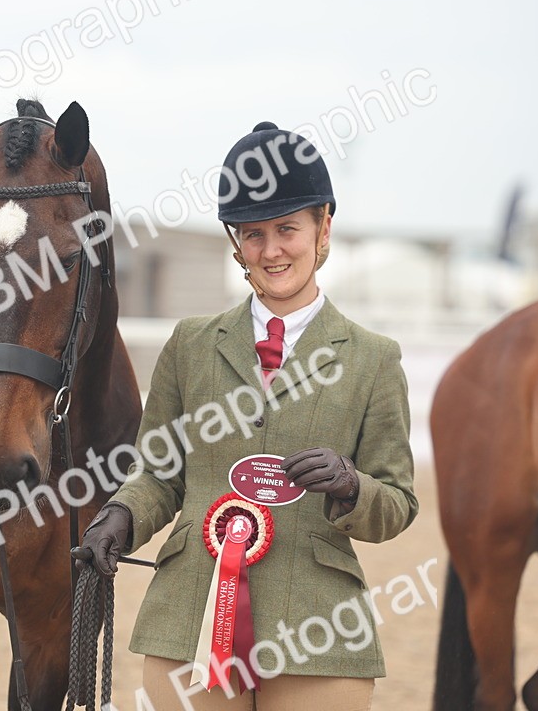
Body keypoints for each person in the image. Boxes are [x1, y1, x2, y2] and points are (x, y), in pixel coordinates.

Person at [80, 121, 418, 710]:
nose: (271, 250)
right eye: (253, 235)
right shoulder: (189, 345)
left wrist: (351, 487)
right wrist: (120, 516)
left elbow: (397, 504)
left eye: (287, 229)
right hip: (189, 616)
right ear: (237, 245)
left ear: (323, 228)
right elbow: (159, 475)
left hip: (320, 626)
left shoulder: (373, 359)